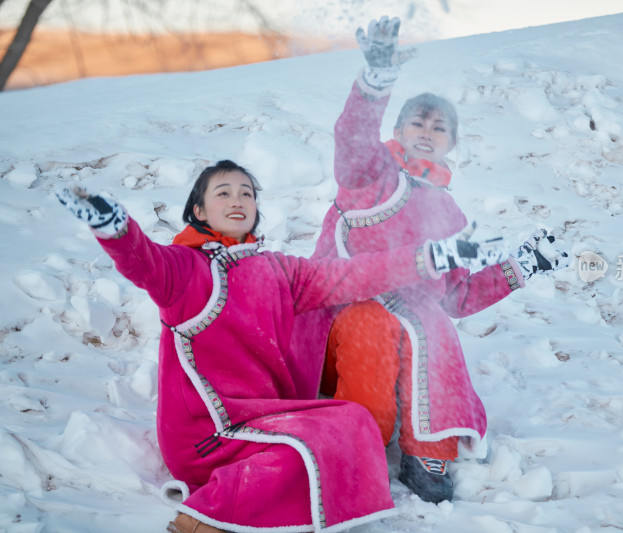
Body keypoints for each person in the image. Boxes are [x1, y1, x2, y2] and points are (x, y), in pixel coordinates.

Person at [56, 160, 495, 533]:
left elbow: (352, 275)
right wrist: (115, 231)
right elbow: (143, 261)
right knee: (305, 451)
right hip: (204, 433)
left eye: (246, 194)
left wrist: (431, 257)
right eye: (223, 193)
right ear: (198, 209)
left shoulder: (276, 269)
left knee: (353, 422)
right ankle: (205, 519)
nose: (237, 201)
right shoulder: (186, 269)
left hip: (263, 419)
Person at [295, 17, 570, 504]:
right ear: (398, 130)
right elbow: (352, 143)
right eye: (417, 122)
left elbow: (458, 297)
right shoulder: (371, 176)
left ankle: (429, 452)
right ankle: (359, 445)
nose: (427, 131)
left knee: (435, 322)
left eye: (439, 126)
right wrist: (374, 83)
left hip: (413, 327)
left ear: (451, 142)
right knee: (374, 323)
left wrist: (522, 266)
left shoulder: (449, 213)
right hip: (342, 311)